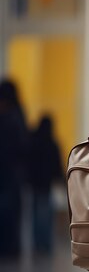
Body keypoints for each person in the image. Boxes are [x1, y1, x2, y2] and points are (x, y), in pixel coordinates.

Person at [0, 78, 29, 259]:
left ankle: (8, 248)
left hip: (7, 174)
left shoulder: (8, 117)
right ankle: (11, 248)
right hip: (14, 174)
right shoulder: (19, 115)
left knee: (7, 212)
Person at [27, 115, 63, 256]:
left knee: (35, 215)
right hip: (47, 185)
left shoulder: (33, 141)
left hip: (35, 184)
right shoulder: (52, 143)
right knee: (46, 215)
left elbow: (27, 163)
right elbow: (57, 165)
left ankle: (37, 245)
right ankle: (46, 245)